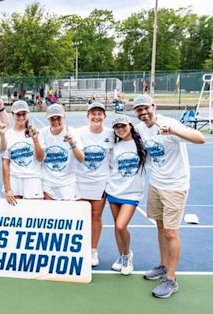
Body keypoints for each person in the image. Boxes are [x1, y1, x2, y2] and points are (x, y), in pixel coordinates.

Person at [133, 94, 205, 298]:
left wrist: (173, 130)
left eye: (146, 108)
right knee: (160, 227)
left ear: (153, 106)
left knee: (171, 232)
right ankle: (164, 265)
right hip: (155, 184)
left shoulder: (168, 123)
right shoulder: (140, 128)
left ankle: (171, 279)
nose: (143, 112)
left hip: (175, 186)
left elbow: (201, 139)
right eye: (139, 109)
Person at [105, 114, 146, 276]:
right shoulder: (114, 147)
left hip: (132, 193)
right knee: (117, 226)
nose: (120, 129)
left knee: (121, 225)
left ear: (130, 125)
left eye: (123, 126)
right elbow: (109, 168)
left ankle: (127, 256)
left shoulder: (141, 145)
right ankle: (122, 255)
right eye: (117, 127)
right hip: (113, 190)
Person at [75, 102, 114, 267]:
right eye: (93, 114)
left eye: (99, 114)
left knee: (96, 216)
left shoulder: (111, 134)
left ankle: (92, 250)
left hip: (100, 182)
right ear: (88, 116)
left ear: (104, 116)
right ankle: (79, 248)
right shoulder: (78, 133)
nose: (96, 117)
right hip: (80, 181)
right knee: (80, 217)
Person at [2, 100, 44, 205]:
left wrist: (35, 140)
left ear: (27, 114)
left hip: (32, 178)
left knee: (33, 216)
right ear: (13, 115)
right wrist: (7, 189)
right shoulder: (7, 135)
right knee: (15, 215)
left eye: (23, 114)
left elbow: (40, 158)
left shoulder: (35, 132)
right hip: (14, 179)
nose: (21, 117)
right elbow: (5, 163)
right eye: (18, 114)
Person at [40, 104, 84, 201]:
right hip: (48, 184)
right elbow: (39, 158)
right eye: (52, 119)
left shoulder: (72, 132)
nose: (55, 122)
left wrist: (72, 143)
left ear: (64, 117)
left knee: (69, 215)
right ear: (48, 119)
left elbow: (81, 159)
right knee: (50, 215)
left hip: (67, 183)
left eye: (58, 118)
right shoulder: (42, 133)